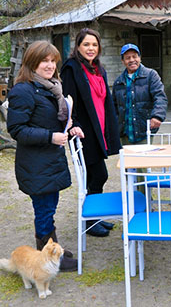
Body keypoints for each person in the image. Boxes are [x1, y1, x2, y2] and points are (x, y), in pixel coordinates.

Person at [7, 40, 84, 272]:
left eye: (52, 61)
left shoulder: (51, 87)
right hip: (36, 164)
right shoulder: (23, 90)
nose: (50, 65)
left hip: (49, 161)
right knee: (44, 210)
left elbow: (50, 120)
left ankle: (51, 249)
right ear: (32, 63)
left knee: (49, 207)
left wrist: (69, 127)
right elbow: (17, 130)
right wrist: (50, 136)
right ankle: (50, 260)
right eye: (44, 61)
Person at [61, 28, 122, 238]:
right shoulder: (71, 69)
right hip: (83, 133)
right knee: (97, 175)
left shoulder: (98, 69)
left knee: (97, 175)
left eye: (94, 45)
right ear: (78, 46)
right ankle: (89, 221)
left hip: (99, 130)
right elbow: (67, 101)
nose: (90, 48)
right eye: (86, 44)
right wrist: (73, 124)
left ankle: (94, 217)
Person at [112, 43, 167, 144]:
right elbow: (113, 107)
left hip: (144, 130)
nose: (132, 60)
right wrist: (115, 124)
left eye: (134, 56)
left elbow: (160, 97)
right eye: (128, 58)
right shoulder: (118, 82)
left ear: (140, 58)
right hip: (124, 133)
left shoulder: (151, 75)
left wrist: (157, 116)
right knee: (127, 159)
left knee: (143, 158)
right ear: (123, 61)